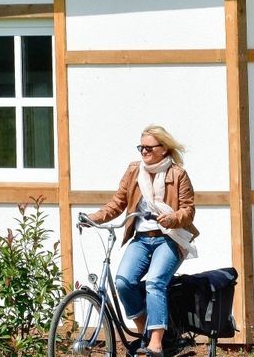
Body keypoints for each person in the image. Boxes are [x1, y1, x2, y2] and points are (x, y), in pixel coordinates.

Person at [87, 124, 199, 357]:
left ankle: (156, 343)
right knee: (123, 282)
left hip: (168, 239)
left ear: (164, 149)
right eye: (141, 147)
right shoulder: (133, 171)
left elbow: (188, 210)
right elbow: (118, 202)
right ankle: (145, 329)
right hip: (141, 239)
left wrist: (173, 218)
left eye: (149, 147)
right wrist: (93, 218)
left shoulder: (177, 174)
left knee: (155, 282)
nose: (144, 152)